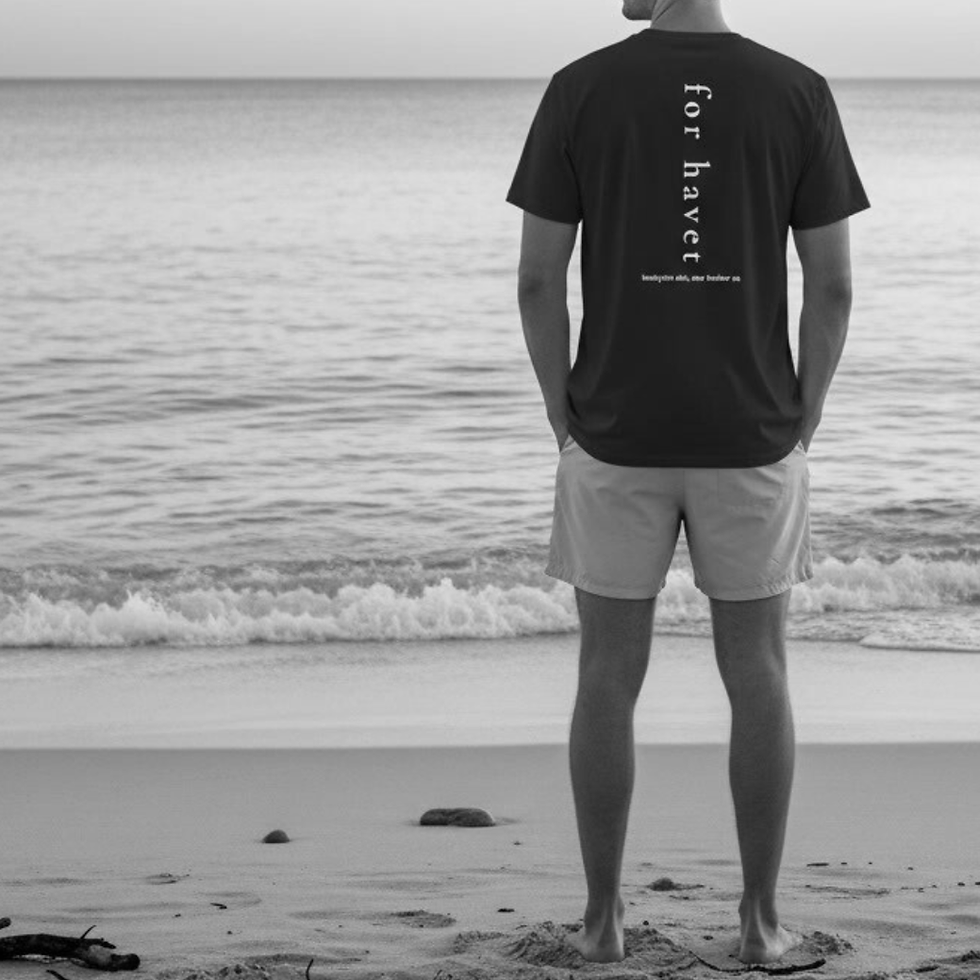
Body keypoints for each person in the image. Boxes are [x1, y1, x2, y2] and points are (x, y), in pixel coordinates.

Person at [505, 0, 870, 967]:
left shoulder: (579, 87)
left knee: (605, 678)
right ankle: (759, 924)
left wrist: (559, 407)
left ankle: (601, 923)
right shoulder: (798, 90)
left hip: (615, 430)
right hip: (749, 431)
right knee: (759, 675)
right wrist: (808, 408)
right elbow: (831, 283)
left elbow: (540, 279)